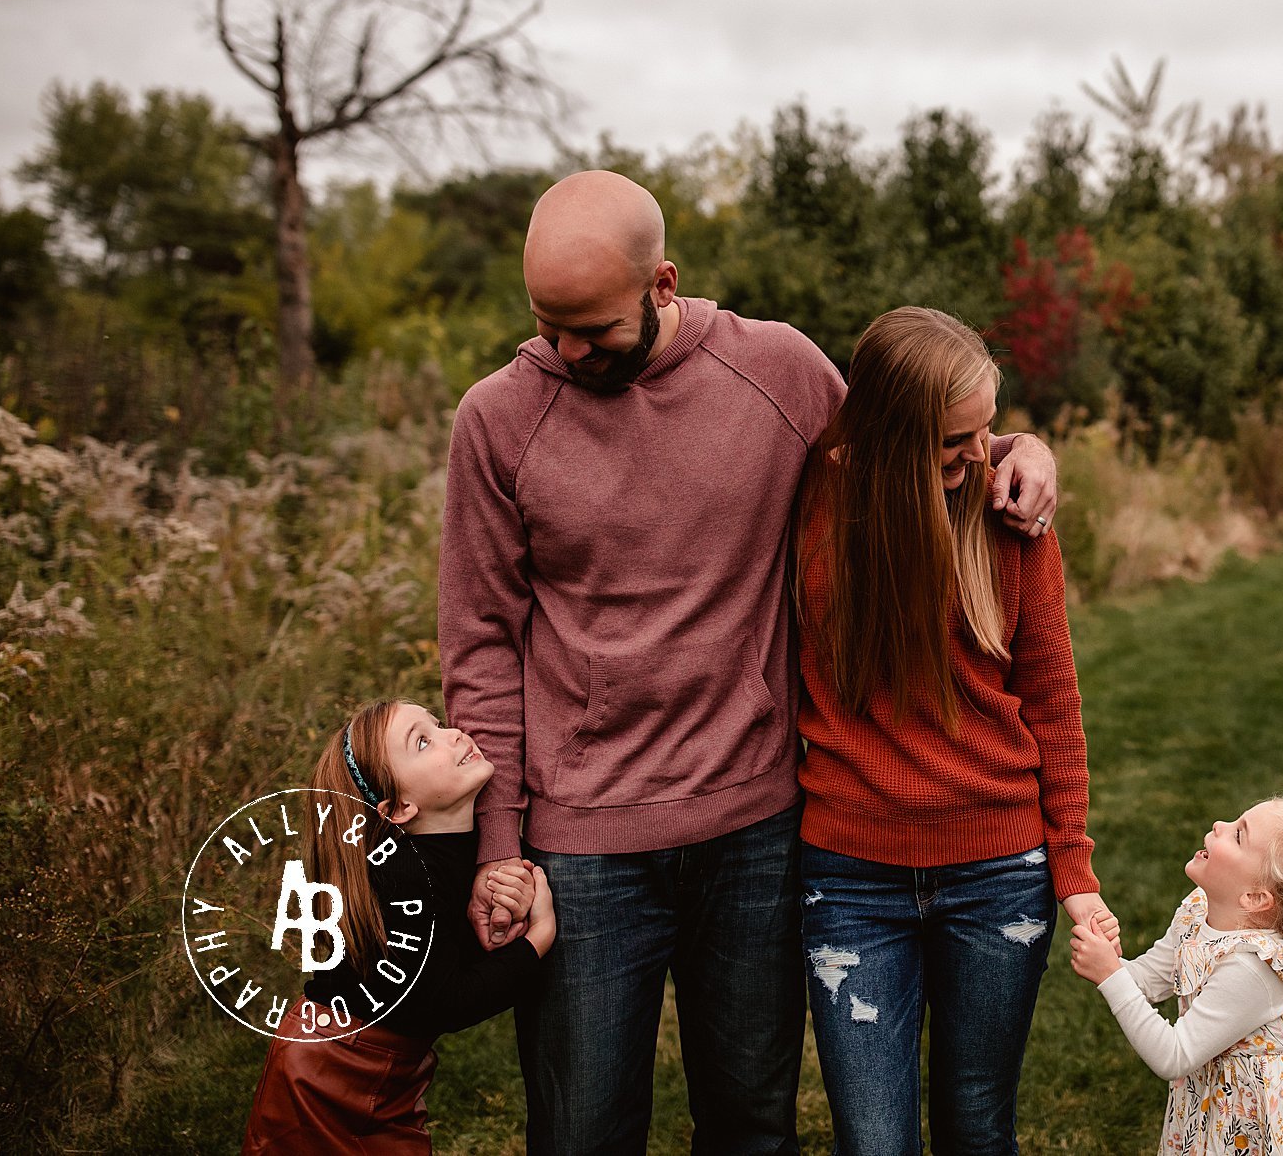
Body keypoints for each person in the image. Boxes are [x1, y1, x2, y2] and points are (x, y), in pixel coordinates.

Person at [439, 171, 1059, 1154]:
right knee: (582, 1130)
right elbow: (478, 645)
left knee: (751, 1128)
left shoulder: (777, 371)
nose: (565, 351)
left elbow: (910, 439)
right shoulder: (497, 420)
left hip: (756, 833)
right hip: (582, 841)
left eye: (593, 327)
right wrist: (501, 843)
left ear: (662, 283)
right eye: (547, 325)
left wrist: (1021, 448)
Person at [791, 306, 1110, 1153]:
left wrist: (1071, 864)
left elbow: (1054, 701)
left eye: (990, 430)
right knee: (873, 1139)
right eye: (952, 441)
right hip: (851, 881)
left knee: (976, 1123)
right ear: (890, 439)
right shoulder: (811, 507)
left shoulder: (1008, 519)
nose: (979, 454)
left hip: (999, 874)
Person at [241, 701, 555, 1155]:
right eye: (423, 742)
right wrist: (537, 940)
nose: (454, 734)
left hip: (375, 1067)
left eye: (438, 724)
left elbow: (443, 956)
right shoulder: (403, 876)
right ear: (400, 808)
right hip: (328, 1073)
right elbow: (443, 1002)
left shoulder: (452, 851)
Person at [1068, 793, 1283, 1156]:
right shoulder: (1198, 910)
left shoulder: (1253, 967)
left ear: (1255, 898)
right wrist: (1110, 957)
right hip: (1214, 1107)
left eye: (1238, 835)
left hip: (1262, 1126)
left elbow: (1173, 1056)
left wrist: (1109, 976)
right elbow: (1147, 981)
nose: (1219, 826)